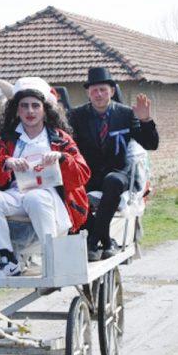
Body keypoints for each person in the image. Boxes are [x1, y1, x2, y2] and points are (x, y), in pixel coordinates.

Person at [0, 77, 90, 278]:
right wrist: (7, 162)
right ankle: (7, 259)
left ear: (45, 110)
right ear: (17, 111)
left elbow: (83, 173)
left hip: (51, 197)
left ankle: (52, 256)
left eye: (35, 106)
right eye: (24, 106)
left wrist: (62, 158)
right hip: (18, 193)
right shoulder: (9, 139)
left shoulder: (59, 137)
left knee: (34, 198)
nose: (30, 111)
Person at [68, 67, 159, 261]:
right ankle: (106, 241)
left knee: (112, 181)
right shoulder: (76, 116)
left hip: (118, 173)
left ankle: (92, 242)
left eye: (103, 89)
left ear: (111, 90)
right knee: (64, 189)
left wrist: (145, 120)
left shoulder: (126, 114)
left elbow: (151, 144)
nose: (98, 94)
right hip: (88, 175)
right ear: (88, 93)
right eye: (94, 90)